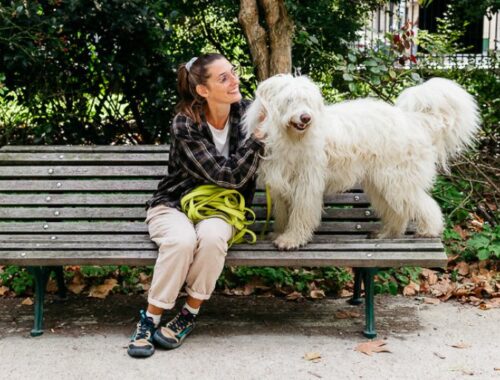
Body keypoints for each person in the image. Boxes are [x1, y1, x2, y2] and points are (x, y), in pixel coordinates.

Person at [127, 53, 266, 358]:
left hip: (223, 207)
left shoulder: (247, 113)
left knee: (214, 237)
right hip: (174, 203)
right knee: (181, 240)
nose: (235, 81)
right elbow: (225, 175)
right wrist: (256, 140)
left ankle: (188, 314)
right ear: (203, 90)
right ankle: (150, 319)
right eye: (223, 78)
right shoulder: (185, 123)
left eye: (233, 72)